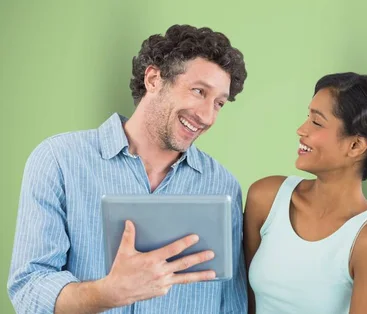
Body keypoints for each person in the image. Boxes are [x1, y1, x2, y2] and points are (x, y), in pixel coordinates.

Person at [7, 24, 248, 314]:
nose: (207, 115)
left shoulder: (223, 186)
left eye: (219, 103)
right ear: (154, 79)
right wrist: (106, 294)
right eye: (199, 91)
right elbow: (29, 288)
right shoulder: (60, 161)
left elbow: (231, 304)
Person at [243, 72, 367, 314]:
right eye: (307, 118)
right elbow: (240, 301)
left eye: (317, 122)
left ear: (355, 146)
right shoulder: (266, 197)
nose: (301, 130)